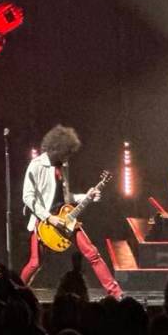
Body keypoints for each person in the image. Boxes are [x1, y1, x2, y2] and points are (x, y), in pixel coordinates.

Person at [21, 124, 122, 299]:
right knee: (35, 262)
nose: (67, 157)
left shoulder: (62, 167)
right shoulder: (36, 165)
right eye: (66, 153)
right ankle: (16, 293)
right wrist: (49, 218)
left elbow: (67, 197)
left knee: (92, 253)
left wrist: (87, 196)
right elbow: (27, 197)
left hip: (66, 218)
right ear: (56, 148)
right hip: (44, 222)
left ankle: (116, 294)